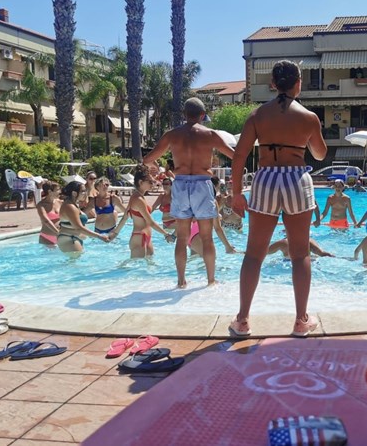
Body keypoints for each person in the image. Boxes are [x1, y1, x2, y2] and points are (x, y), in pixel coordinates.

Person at [229, 60, 328, 337]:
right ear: (298, 83)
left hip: (266, 179)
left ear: (273, 84)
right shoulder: (308, 117)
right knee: (300, 253)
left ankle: (243, 320)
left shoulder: (257, 115)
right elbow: (320, 154)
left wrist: (236, 192)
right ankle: (301, 321)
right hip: (297, 180)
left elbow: (239, 155)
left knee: (254, 254)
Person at [143, 97, 234, 288]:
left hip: (181, 184)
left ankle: (181, 281)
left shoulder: (172, 135)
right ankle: (211, 280)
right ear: (202, 115)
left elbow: (147, 159)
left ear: (184, 115)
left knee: (182, 237)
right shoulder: (210, 134)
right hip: (202, 184)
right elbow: (235, 155)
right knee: (207, 237)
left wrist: (156, 167)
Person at [112, 166, 174, 258]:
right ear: (141, 182)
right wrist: (166, 234)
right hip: (140, 237)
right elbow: (151, 222)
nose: (153, 183)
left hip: (144, 237)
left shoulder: (137, 196)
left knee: (149, 265)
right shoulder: (138, 199)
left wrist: (115, 233)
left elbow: (125, 217)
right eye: (150, 182)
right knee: (136, 266)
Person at [57, 181, 110, 255]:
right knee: (75, 261)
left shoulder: (74, 205)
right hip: (69, 239)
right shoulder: (70, 207)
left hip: (73, 238)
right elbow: (79, 227)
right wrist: (99, 236)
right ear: (74, 193)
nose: (85, 193)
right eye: (83, 191)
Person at [36, 181, 62, 246]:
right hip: (47, 237)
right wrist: (58, 233)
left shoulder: (60, 202)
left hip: (60, 236)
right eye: (57, 190)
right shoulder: (41, 205)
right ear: (50, 191)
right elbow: (46, 221)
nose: (60, 192)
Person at [268, 236, 334, 258]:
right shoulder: (309, 240)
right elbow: (322, 253)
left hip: (288, 265)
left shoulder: (283, 243)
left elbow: (265, 252)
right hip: (308, 264)